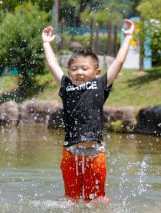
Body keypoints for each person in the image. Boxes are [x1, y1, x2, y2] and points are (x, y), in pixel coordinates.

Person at [42, 19, 135, 202]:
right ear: (69, 73)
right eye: (74, 69)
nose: (79, 72)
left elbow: (119, 61)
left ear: (97, 72)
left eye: (84, 68)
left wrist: (128, 37)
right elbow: (53, 65)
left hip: (94, 154)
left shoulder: (100, 86)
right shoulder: (66, 86)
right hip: (70, 153)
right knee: (71, 200)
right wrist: (46, 44)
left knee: (97, 200)